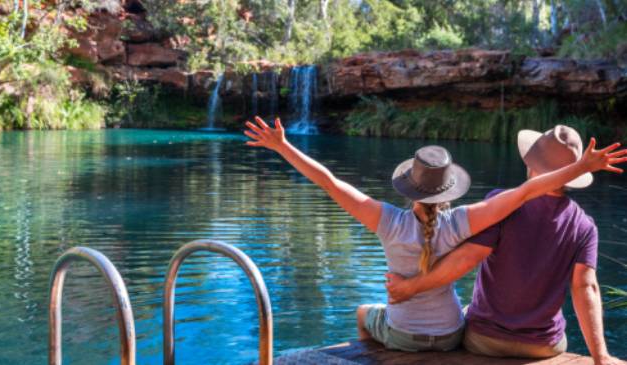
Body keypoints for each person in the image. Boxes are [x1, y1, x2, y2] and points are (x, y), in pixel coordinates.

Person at [244, 117, 627, 353]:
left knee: (365, 314)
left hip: (416, 335)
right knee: (460, 313)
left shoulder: (387, 221)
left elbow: (329, 182)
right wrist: (579, 166)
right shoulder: (463, 220)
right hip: (455, 335)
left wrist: (283, 146)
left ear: (407, 186)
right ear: (449, 191)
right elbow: (528, 192)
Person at [385, 125, 625, 364]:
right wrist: (600, 356)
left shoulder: (503, 205)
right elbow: (586, 288)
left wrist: (411, 287)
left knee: (462, 314)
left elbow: (466, 259)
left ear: (531, 164)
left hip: (486, 341)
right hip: (544, 345)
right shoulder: (584, 226)